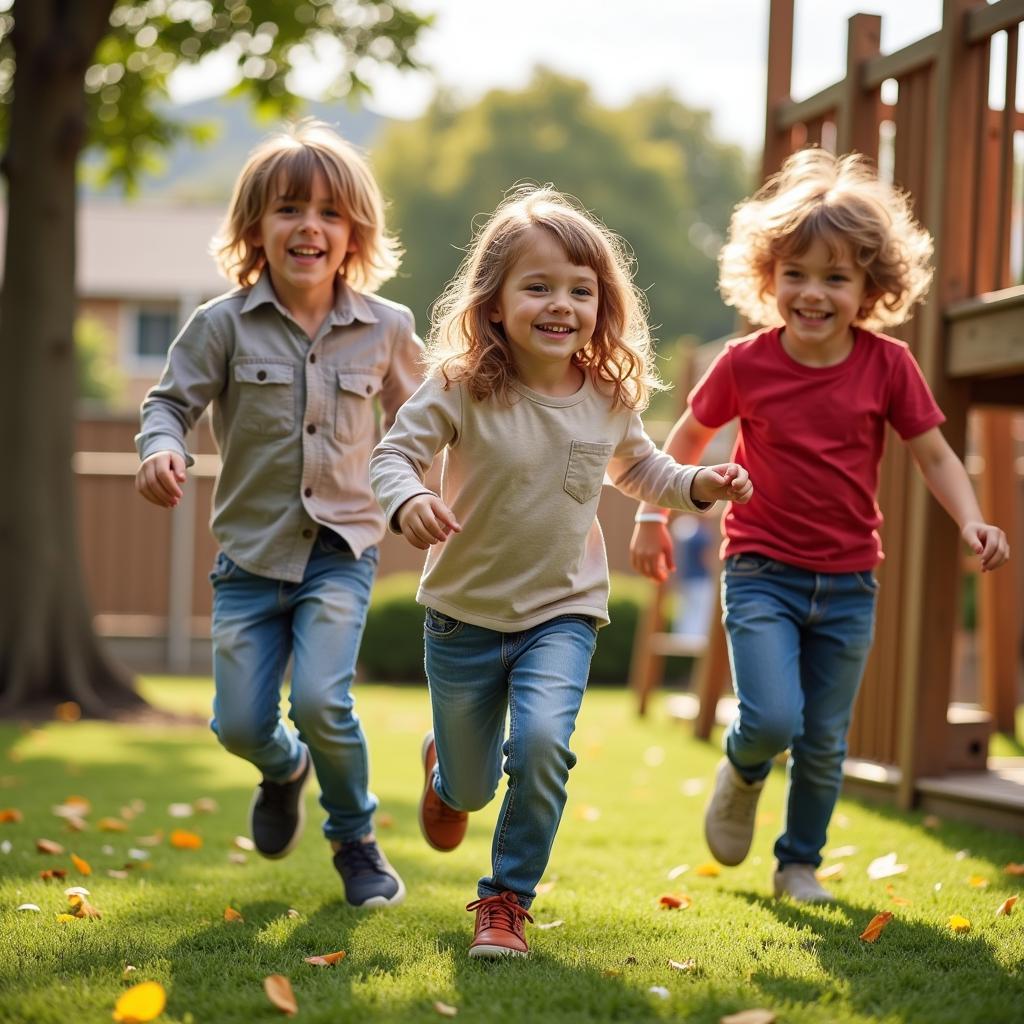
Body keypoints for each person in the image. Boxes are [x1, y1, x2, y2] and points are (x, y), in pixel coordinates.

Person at [370, 186, 753, 957]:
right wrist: (408, 498)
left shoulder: (608, 395)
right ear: (495, 303)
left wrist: (699, 484)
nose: (561, 304)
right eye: (538, 286)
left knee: (544, 745)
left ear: (602, 305)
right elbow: (394, 455)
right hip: (462, 616)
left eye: (580, 289)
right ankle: (446, 773)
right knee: (475, 788)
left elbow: (640, 468)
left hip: (563, 613)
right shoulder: (461, 383)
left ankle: (505, 901)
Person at [630, 148, 1010, 904]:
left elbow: (934, 455)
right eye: (796, 274)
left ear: (872, 288)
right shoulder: (745, 362)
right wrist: (652, 514)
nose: (813, 293)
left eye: (836, 278)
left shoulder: (888, 366)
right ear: (767, 278)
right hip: (761, 569)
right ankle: (741, 770)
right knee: (772, 719)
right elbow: (683, 441)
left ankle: (798, 863)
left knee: (824, 741)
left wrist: (972, 519)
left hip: (848, 583)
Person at [134, 120, 423, 908]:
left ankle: (355, 840)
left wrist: (425, 496)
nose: (310, 227)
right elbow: (168, 405)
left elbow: (430, 424)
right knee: (236, 724)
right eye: (290, 208)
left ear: (354, 231)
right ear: (256, 226)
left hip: (342, 549)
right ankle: (283, 766)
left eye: (330, 213)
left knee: (327, 699)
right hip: (250, 561)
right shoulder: (220, 325)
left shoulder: (388, 328)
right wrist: (159, 449)